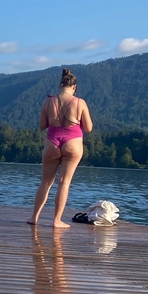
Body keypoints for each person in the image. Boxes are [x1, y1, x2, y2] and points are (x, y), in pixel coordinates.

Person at [28, 68, 93, 229]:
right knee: (64, 183)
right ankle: (57, 220)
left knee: (45, 182)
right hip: (73, 143)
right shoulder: (80, 103)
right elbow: (89, 127)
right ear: (74, 87)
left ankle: (34, 217)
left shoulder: (49, 101)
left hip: (52, 142)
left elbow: (42, 125)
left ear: (60, 85)